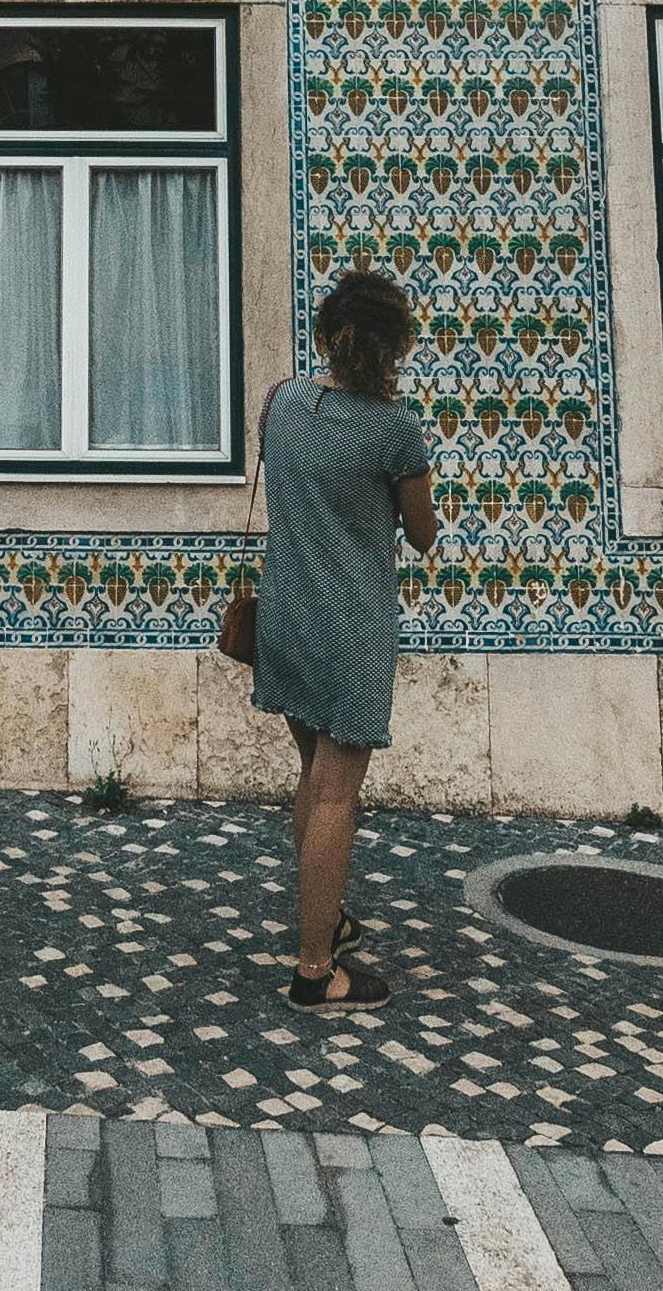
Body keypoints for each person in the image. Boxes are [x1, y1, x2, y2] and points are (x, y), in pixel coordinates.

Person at [252, 267, 438, 1009]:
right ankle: (315, 972)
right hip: (349, 629)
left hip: (285, 616)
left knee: (312, 778)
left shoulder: (283, 402)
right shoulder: (395, 431)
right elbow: (423, 535)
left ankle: (326, 919)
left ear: (327, 336)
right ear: (395, 349)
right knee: (336, 796)